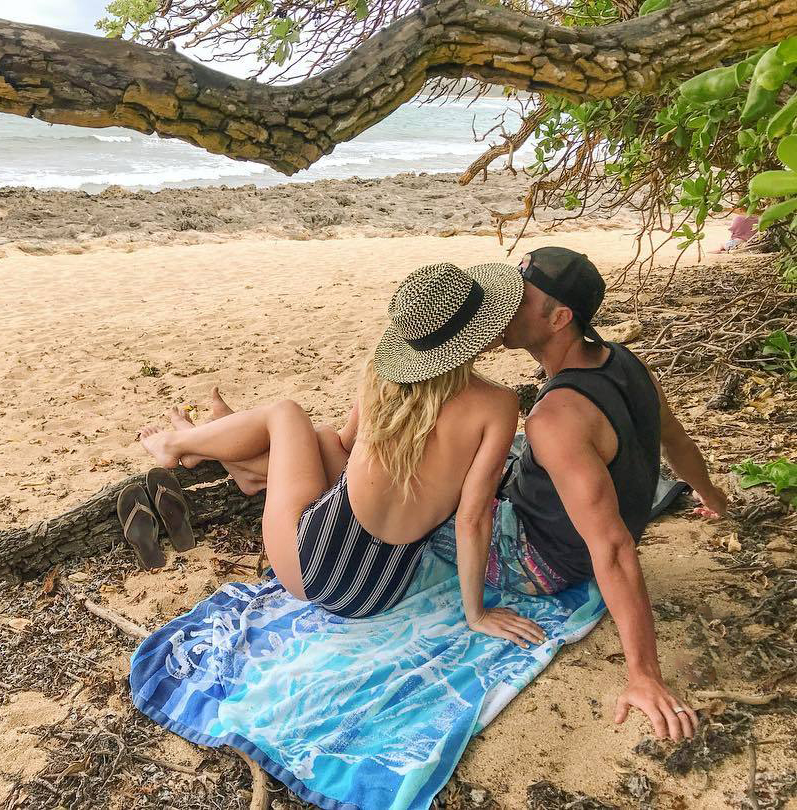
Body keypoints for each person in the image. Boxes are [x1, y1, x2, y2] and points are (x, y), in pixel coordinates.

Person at [137, 262, 544, 635]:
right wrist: (476, 614)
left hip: (309, 567)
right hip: (378, 590)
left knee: (287, 416)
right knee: (322, 439)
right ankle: (234, 458)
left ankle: (179, 443)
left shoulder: (383, 378)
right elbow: (471, 519)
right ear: (482, 330)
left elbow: (346, 445)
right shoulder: (500, 405)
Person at [487, 246, 728, 742]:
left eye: (520, 296)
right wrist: (714, 497)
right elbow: (676, 441)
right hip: (563, 526)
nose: (505, 301)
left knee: (423, 483)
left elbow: (614, 546)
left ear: (559, 318)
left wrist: (644, 674)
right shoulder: (624, 360)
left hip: (537, 562)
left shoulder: (554, 419)